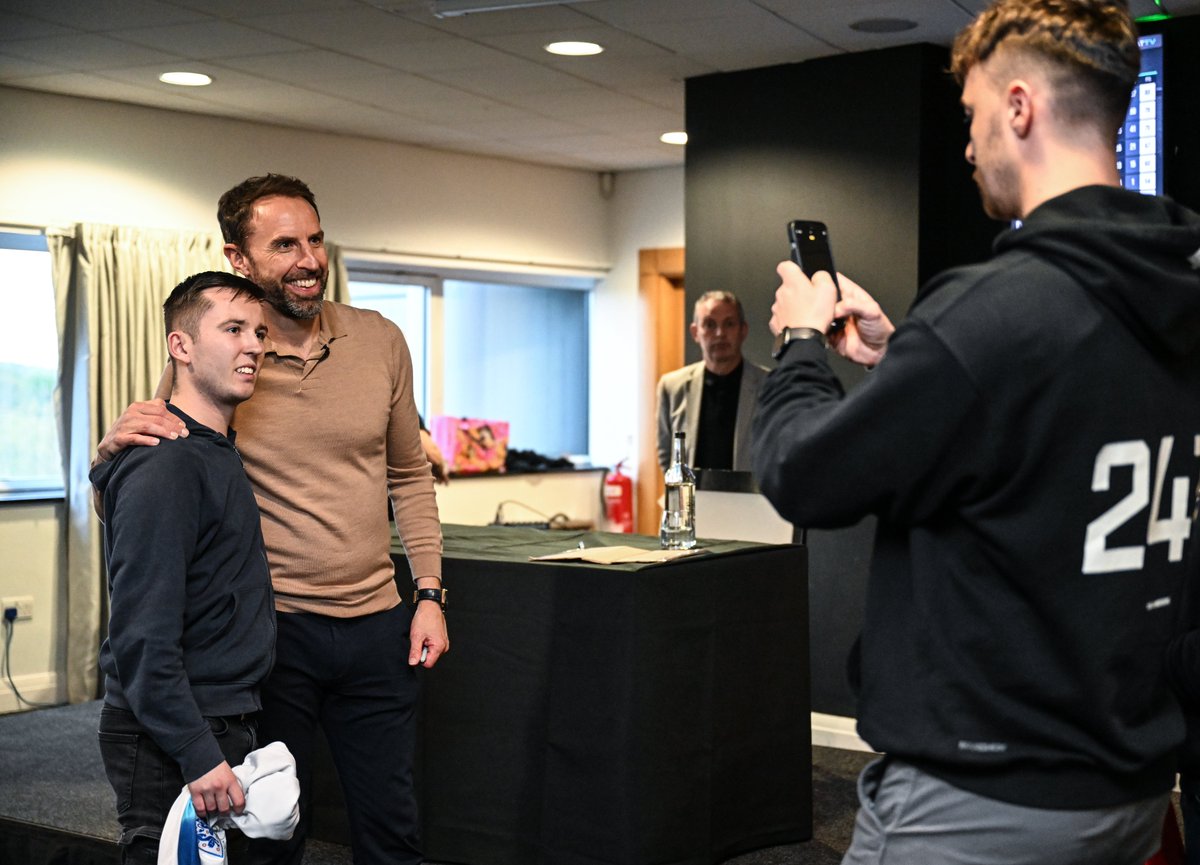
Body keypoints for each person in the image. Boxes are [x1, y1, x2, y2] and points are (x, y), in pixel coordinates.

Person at [751, 1, 1200, 862]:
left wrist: (804, 339)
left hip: (982, 800)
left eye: (972, 115)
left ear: (1020, 108)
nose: (966, 144)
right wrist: (903, 363)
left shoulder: (995, 310)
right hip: (1127, 787)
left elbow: (800, 472)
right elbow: (1055, 437)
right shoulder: (1168, 295)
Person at [93, 174, 449, 865]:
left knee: (393, 825)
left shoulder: (380, 340)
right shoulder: (223, 361)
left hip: (378, 625)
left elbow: (409, 473)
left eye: (315, 239)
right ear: (239, 257)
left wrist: (429, 591)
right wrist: (104, 458)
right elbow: (149, 493)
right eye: (284, 244)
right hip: (274, 636)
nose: (308, 258)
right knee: (270, 835)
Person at [93, 271, 273, 864]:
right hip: (173, 729)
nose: (253, 345)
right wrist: (197, 750)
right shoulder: (167, 464)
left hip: (215, 715)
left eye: (259, 332)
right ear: (182, 346)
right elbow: (142, 636)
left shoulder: (211, 449)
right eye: (232, 329)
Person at [656, 290, 769, 472]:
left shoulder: (770, 386)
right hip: (691, 498)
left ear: (743, 330)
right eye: (709, 324)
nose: (719, 333)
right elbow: (666, 454)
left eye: (729, 324)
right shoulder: (672, 387)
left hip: (750, 498)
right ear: (695, 332)